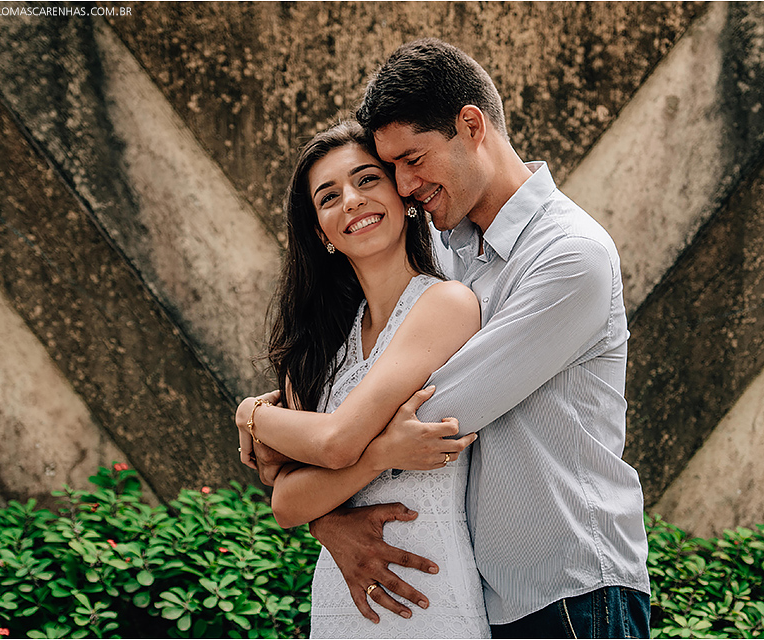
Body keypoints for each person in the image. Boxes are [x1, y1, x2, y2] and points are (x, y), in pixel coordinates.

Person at [266, 38, 652, 638]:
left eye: (412, 159)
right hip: (480, 594)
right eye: (392, 167)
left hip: (572, 589)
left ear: (471, 126)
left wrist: (263, 426)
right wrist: (326, 517)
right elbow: (365, 433)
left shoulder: (569, 256)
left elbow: (423, 420)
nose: (405, 184)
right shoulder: (448, 253)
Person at [235, 120, 490, 638]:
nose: (351, 200)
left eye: (367, 180)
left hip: (429, 594)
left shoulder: (445, 303)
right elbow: (285, 502)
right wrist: (381, 455)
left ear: (403, 196)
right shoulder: (323, 343)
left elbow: (335, 442)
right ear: (319, 232)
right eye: (329, 197)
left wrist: (250, 415)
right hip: (344, 599)